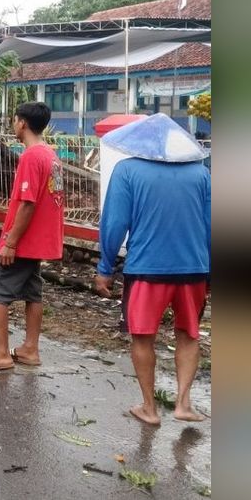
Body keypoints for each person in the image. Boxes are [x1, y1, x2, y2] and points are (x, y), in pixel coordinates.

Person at [93, 114, 210, 425]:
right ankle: (183, 404)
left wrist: (104, 268)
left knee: (142, 337)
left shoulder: (127, 170)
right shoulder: (201, 174)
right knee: (189, 334)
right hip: (194, 269)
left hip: (147, 270)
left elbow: (115, 223)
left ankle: (149, 408)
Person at [0, 102, 63, 370]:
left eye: (14, 120)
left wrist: (10, 242)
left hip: (24, 240)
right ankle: (30, 349)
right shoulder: (51, 155)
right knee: (33, 292)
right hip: (40, 240)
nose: (13, 124)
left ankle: (0, 353)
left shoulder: (32, 157)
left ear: (22, 123)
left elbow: (28, 203)